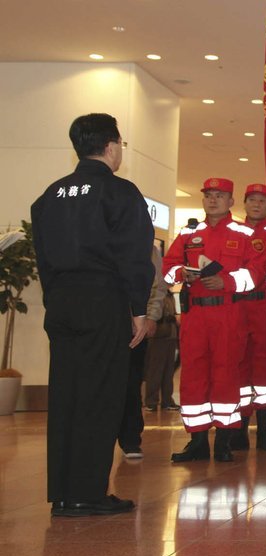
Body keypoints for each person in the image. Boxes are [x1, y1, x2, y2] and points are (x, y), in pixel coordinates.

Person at [33, 112, 153, 516]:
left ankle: (63, 493)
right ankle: (88, 493)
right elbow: (134, 257)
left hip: (62, 301)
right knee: (100, 395)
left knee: (65, 395)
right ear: (111, 146)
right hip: (103, 301)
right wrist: (138, 309)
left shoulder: (51, 194)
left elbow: (43, 258)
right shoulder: (120, 192)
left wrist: (56, 299)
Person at [163, 177, 266, 463]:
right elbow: (167, 268)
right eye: (209, 194)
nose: (213, 199)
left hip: (228, 313)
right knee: (193, 376)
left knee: (226, 375)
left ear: (231, 201)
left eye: (219, 195)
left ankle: (223, 441)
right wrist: (182, 273)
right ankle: (197, 441)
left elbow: (256, 273)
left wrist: (226, 282)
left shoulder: (245, 233)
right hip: (195, 314)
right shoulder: (189, 233)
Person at [232, 183, 266, 452]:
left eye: (262, 201)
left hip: (264, 308)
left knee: (265, 370)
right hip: (237, 308)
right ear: (244, 203)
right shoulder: (234, 232)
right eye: (252, 200)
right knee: (238, 367)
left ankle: (264, 431)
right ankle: (239, 430)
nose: (257, 205)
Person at [118, 245, 167, 459]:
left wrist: (151, 316)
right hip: (101, 322)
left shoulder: (144, 243)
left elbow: (156, 283)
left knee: (131, 382)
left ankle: (130, 439)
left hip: (133, 325)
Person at [143, 270, 180, 410]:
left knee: (168, 371)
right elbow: (155, 313)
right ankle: (151, 401)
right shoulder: (156, 295)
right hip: (159, 336)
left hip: (170, 335)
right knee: (155, 370)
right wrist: (172, 318)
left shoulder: (169, 295)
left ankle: (167, 400)